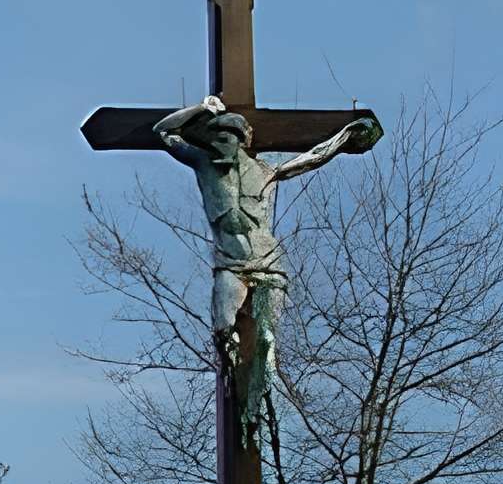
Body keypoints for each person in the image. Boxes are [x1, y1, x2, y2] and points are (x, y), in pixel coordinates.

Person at [151, 96, 380, 443]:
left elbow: (313, 157)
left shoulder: (266, 171)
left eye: (229, 136)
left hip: (269, 265)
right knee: (223, 333)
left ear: (243, 140)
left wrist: (346, 136)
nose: (222, 142)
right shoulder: (202, 163)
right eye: (217, 136)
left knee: (267, 339)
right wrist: (202, 109)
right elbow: (162, 132)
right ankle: (239, 399)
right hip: (229, 264)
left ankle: (257, 407)